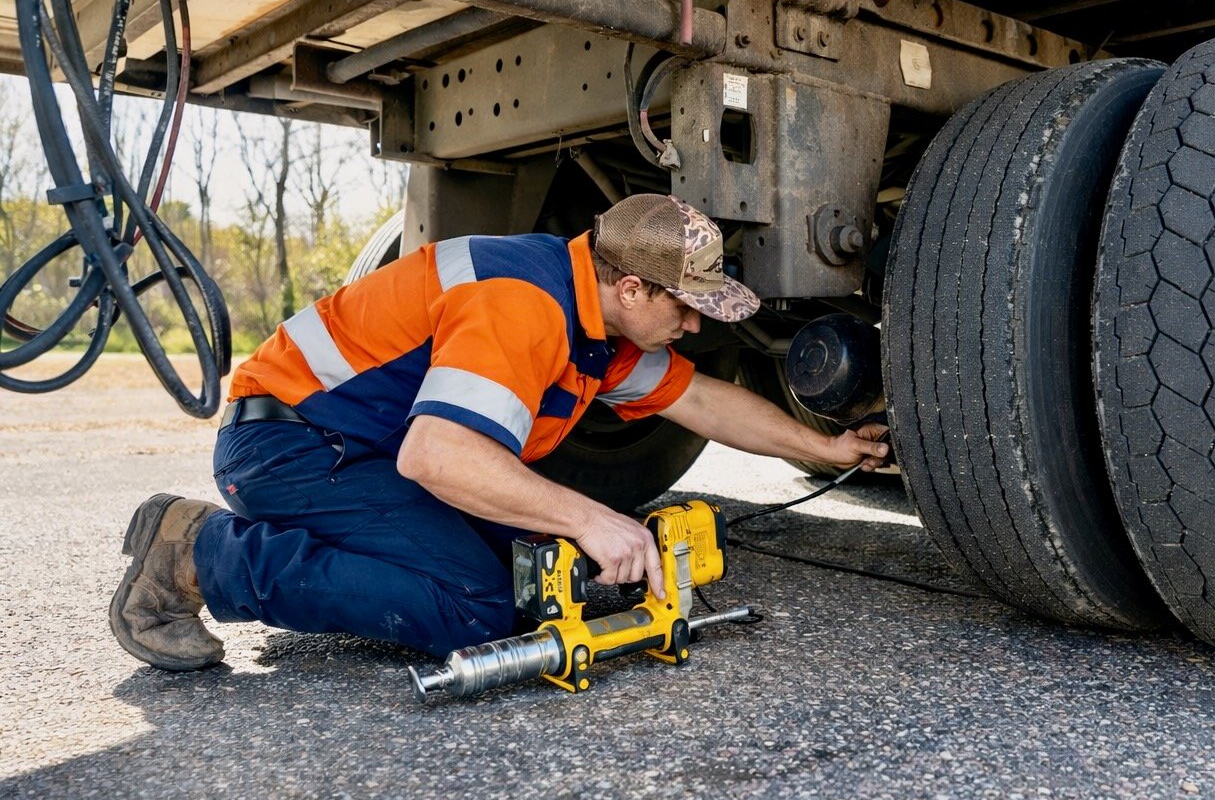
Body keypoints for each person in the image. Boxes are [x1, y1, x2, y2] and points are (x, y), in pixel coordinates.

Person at [108, 194, 890, 671]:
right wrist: (593, 516)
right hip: (290, 447)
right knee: (476, 606)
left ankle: (280, 545)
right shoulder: (523, 302)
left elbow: (703, 403)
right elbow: (438, 453)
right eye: (684, 308)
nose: (691, 326)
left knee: (536, 575)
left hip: (360, 449)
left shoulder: (597, 316)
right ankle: (201, 556)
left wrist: (823, 447)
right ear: (629, 285)